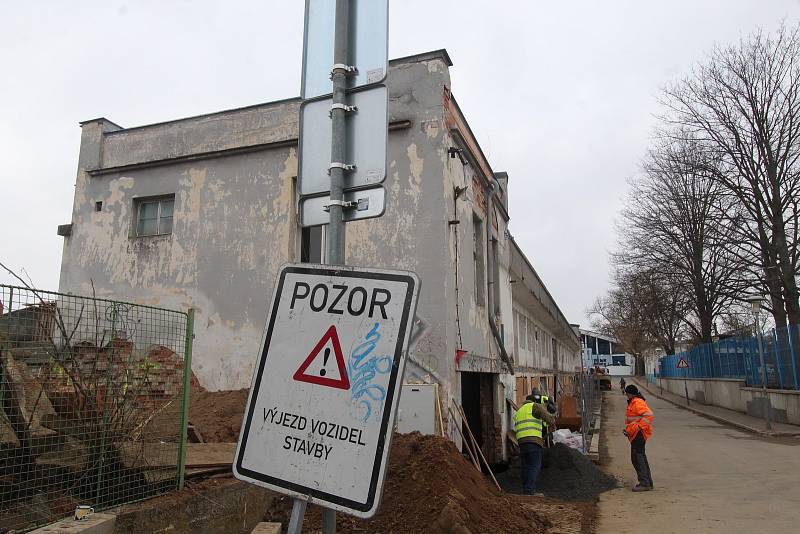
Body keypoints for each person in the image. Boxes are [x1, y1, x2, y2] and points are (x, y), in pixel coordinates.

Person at [514, 389, 556, 495]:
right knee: (534, 465)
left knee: (526, 466)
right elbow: (550, 419)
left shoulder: (520, 410)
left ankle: (526, 489)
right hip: (533, 441)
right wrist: (550, 407)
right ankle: (530, 491)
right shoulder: (535, 406)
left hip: (521, 442)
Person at [623, 384, 654, 491]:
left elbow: (649, 415)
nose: (626, 395)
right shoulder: (634, 402)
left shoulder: (637, 402)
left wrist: (639, 427)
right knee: (640, 457)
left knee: (637, 458)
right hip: (636, 433)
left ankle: (644, 483)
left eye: (626, 393)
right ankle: (648, 482)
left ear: (630, 393)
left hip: (639, 434)